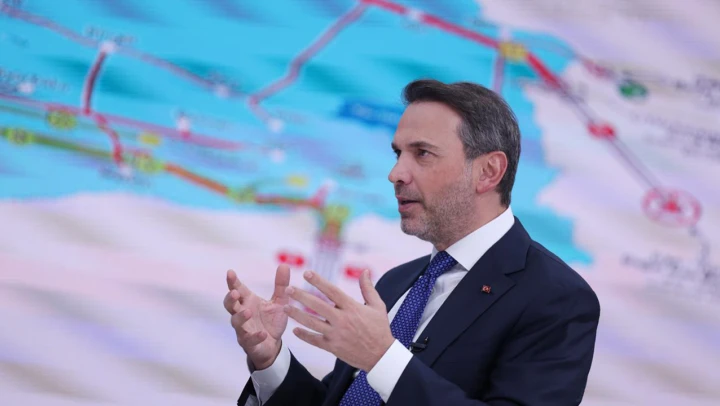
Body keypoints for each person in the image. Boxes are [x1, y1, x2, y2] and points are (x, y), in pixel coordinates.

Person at [223, 79, 601, 406]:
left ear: (488, 171)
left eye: (422, 153)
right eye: (398, 153)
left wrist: (383, 358)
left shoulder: (557, 299)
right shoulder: (397, 282)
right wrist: (270, 359)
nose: (395, 173)